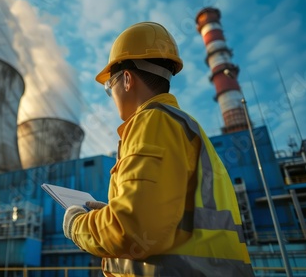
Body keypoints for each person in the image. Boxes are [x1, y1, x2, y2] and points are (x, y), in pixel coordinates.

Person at [62, 22, 254, 276]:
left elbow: (132, 230)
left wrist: (77, 224)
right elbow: (160, 217)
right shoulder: (183, 125)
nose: (112, 96)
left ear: (127, 80)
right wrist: (110, 214)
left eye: (110, 88)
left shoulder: (151, 122)